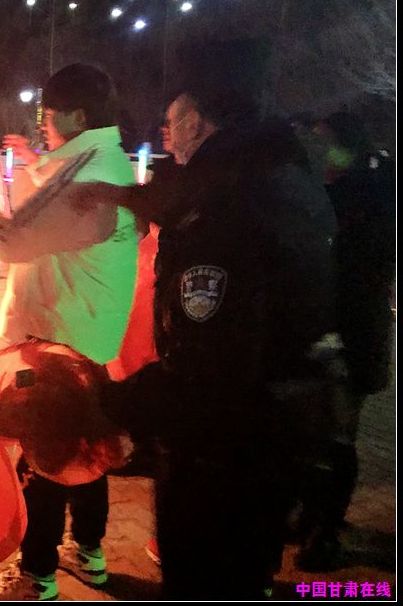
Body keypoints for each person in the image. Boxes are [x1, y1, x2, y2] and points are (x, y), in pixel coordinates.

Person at [78, 86, 340, 599]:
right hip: (278, 438)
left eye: (172, 121)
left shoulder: (221, 215)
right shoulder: (283, 182)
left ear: (196, 122)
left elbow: (205, 372)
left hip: (218, 461)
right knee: (248, 573)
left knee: (204, 579)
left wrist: (105, 402)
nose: (166, 134)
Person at [0, 63, 138, 600]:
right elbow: (63, 208)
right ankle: (90, 554)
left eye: (47, 115)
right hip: (88, 336)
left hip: (59, 342)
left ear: (76, 116)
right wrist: (37, 162)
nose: (43, 124)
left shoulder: (85, 175)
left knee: (45, 458)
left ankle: (37, 577)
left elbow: (13, 239)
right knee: (88, 448)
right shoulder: (105, 161)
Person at [293, 112, 395, 571]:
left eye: (325, 144)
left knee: (338, 435)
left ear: (347, 148)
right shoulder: (325, 191)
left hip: (354, 335)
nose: (317, 153)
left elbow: (365, 268)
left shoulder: (369, 196)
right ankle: (310, 514)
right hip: (320, 330)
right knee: (311, 432)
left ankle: (327, 530)